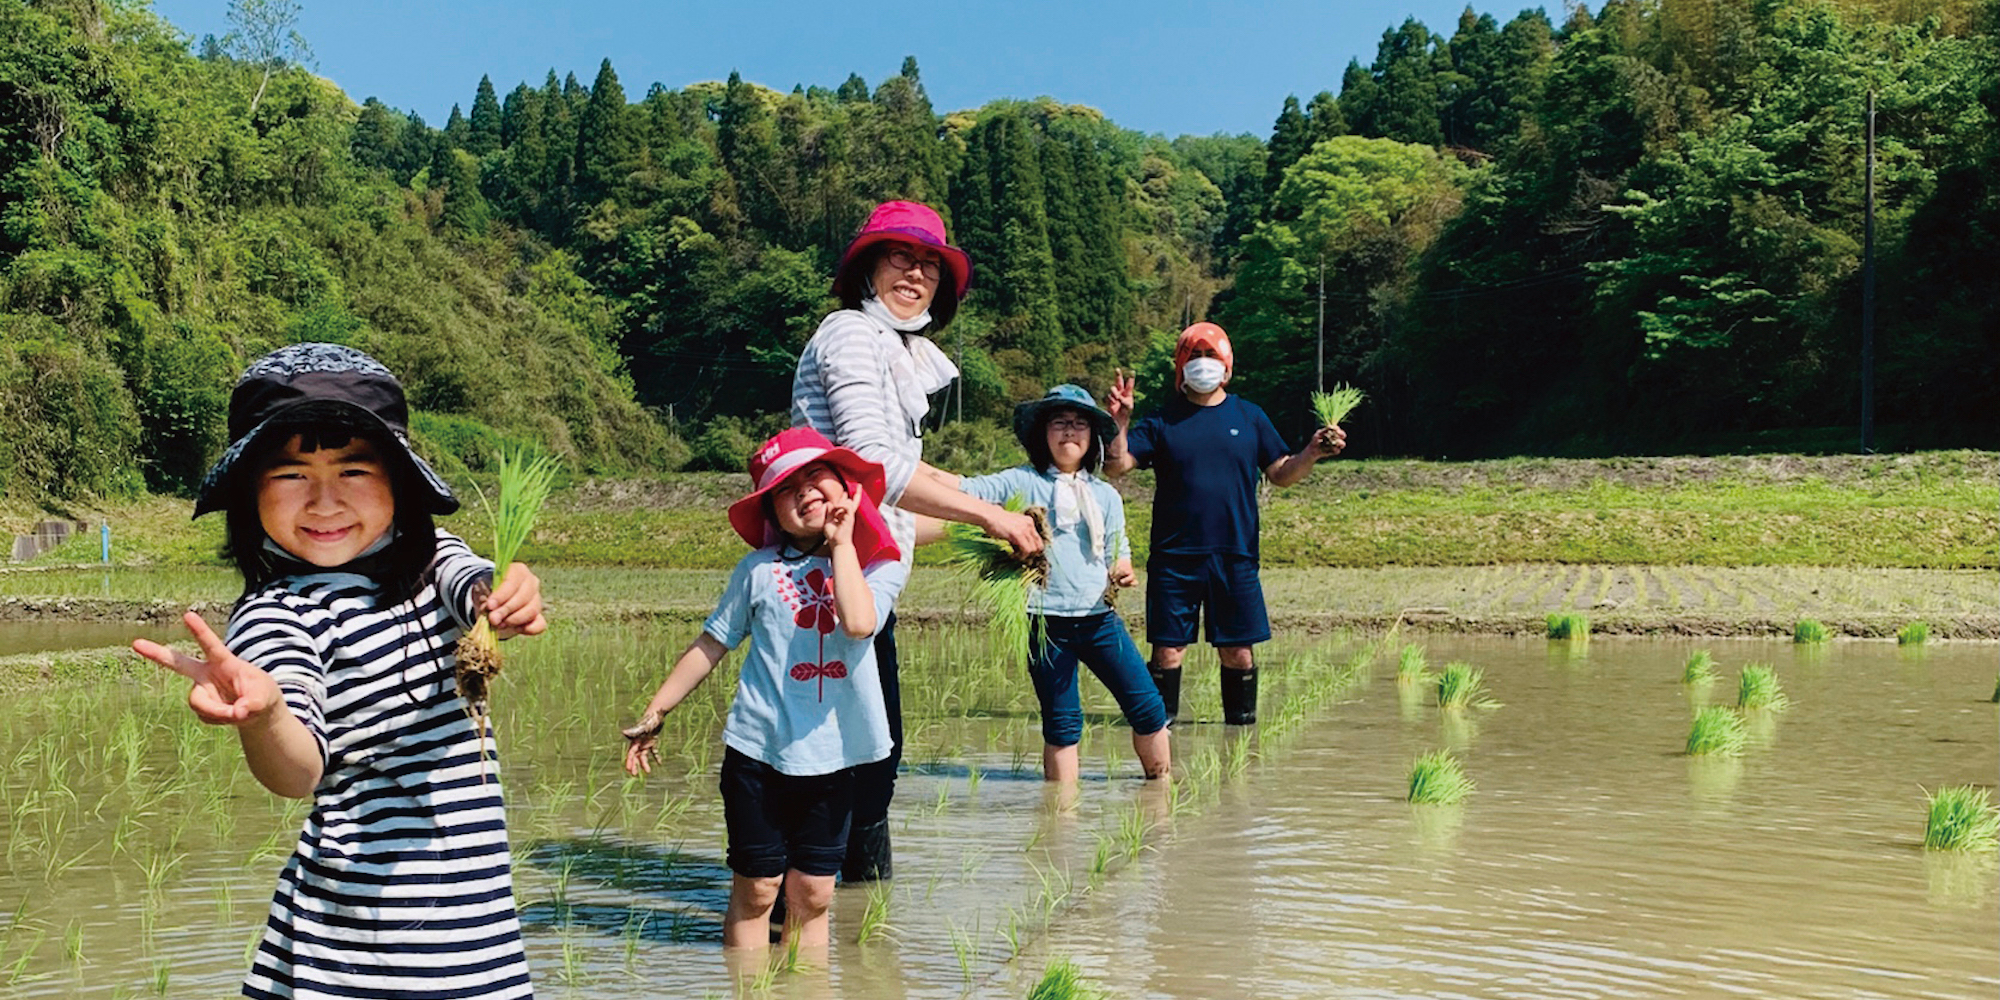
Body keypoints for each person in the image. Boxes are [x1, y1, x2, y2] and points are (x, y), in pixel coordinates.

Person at [131, 343, 547, 999]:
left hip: (480, 945)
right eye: (291, 475)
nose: (324, 501)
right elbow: (297, 771)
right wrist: (265, 714)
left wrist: (507, 595)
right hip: (348, 955)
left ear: (399, 482)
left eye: (354, 470)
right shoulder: (277, 613)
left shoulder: (434, 559)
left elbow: (474, 586)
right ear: (250, 492)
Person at [792, 200, 1043, 881]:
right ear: (867, 267)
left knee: (875, 759)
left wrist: (999, 503)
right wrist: (991, 516)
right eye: (900, 255)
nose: (916, 272)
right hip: (816, 591)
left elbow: (904, 496)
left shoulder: (893, 352)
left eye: (931, 262)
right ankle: (793, 933)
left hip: (865, 590)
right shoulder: (848, 334)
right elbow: (875, 467)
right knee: (827, 764)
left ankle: (857, 927)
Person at [620, 427, 907, 952]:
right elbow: (712, 644)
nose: (802, 491)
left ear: (848, 488)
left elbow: (859, 623)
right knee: (758, 890)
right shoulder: (757, 570)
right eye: (785, 488)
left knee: (814, 893)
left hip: (834, 757)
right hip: (758, 754)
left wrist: (842, 545)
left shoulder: (878, 565)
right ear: (773, 514)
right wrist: (656, 710)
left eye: (815, 475)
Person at [1103, 322, 1345, 726]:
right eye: (1194, 357)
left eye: (1210, 356)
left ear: (1227, 366)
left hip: (1235, 555)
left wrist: (1313, 451)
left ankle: (1240, 732)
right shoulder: (1162, 420)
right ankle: (1160, 733)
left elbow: (1281, 473)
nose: (1203, 364)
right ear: (1181, 368)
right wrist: (1120, 423)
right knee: (1168, 652)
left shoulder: (1249, 417)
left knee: (1239, 652)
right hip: (1174, 558)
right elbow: (1117, 467)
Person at [941, 385, 1171, 782]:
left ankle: (1161, 788)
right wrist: (907, 473)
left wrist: (1124, 568)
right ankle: (1061, 819)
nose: (1069, 431)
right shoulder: (1020, 482)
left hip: (1100, 619)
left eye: (1080, 424)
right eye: (1059, 423)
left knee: (1149, 708)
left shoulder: (1106, 496)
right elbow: (967, 491)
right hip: (1044, 623)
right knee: (1063, 724)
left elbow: (1119, 548)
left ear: (1093, 438)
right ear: (1042, 435)